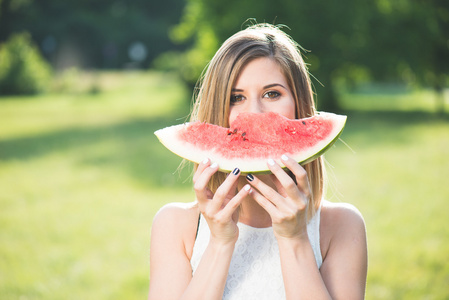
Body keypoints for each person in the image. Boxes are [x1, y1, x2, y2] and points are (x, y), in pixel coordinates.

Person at [148, 23, 367, 300]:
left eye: (272, 94)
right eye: (236, 98)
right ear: (217, 110)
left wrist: (294, 239)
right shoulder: (175, 225)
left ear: (299, 105)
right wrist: (219, 242)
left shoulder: (342, 226)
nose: (255, 113)